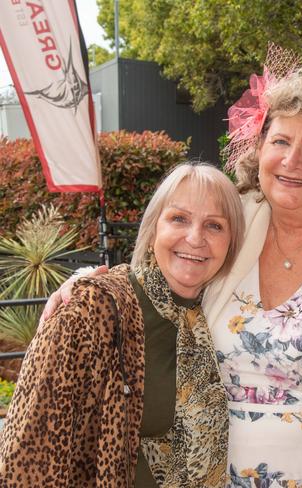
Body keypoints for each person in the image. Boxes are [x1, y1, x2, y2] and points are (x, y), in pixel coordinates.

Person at [40, 49, 302, 486]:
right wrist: (90, 287)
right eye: (281, 142)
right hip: (205, 475)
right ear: (260, 149)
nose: (291, 161)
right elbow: (154, 286)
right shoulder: (224, 226)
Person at [0, 162, 245, 487]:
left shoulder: (219, 315)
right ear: (153, 227)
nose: (195, 237)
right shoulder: (93, 308)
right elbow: (27, 453)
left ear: (231, 242)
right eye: (179, 218)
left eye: (214, 226)